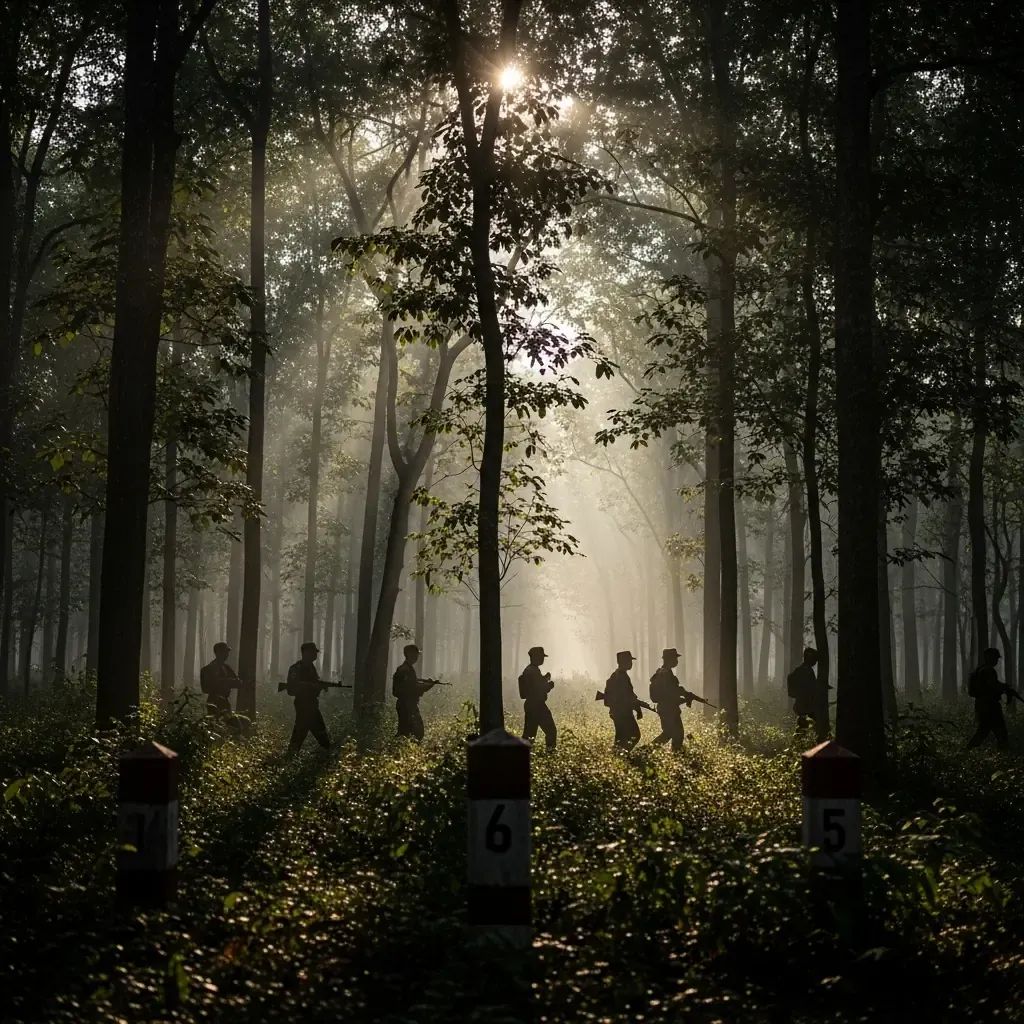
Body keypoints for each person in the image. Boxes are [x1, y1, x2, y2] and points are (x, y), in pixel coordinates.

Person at [966, 648, 1018, 751]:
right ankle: (1004, 755)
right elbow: (993, 685)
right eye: (995, 658)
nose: (996, 661)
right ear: (990, 658)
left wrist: (1005, 688)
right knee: (1001, 733)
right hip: (990, 706)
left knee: (983, 731)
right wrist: (1005, 688)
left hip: (982, 705)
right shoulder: (989, 670)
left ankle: (968, 750)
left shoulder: (980, 669)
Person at [286, 641, 331, 754]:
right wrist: (310, 686)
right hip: (303, 704)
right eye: (313, 652)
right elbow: (291, 689)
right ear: (306, 653)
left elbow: (314, 687)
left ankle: (327, 752)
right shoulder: (296, 669)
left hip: (311, 703)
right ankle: (328, 752)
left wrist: (319, 687)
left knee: (309, 730)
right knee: (305, 730)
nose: (315, 655)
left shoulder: (311, 668)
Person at [649, 647, 697, 752]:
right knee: (673, 734)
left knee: (672, 733)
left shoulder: (663, 672)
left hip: (667, 708)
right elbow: (671, 693)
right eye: (675, 658)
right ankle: (645, 751)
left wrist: (686, 695)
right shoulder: (666, 674)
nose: (676, 661)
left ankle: (675, 754)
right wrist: (685, 696)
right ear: (669, 659)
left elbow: (673, 691)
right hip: (668, 709)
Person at [392, 643, 438, 742]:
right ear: (410, 654)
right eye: (416, 654)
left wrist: (426, 683)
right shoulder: (405, 670)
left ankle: (398, 751)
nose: (417, 657)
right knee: (417, 732)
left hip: (405, 704)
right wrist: (429, 685)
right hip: (407, 704)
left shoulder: (405, 669)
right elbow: (413, 688)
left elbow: (411, 684)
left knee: (404, 731)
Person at [787, 647, 828, 740]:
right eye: (814, 659)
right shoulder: (807, 671)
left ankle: (800, 745)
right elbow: (811, 688)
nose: (815, 662)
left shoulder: (799, 670)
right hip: (807, 706)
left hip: (801, 705)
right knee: (811, 727)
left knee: (802, 728)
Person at [603, 650, 642, 750]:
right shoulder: (623, 677)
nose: (631, 663)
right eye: (629, 661)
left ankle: (616, 757)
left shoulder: (616, 675)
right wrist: (637, 708)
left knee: (620, 738)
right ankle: (622, 756)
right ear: (624, 662)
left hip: (617, 711)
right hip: (623, 712)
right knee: (635, 735)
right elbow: (627, 696)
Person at [519, 646, 556, 750]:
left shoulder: (530, 670)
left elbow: (535, 685)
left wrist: (545, 678)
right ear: (536, 657)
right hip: (537, 705)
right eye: (541, 656)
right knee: (551, 731)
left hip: (531, 705)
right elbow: (539, 689)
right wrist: (550, 685)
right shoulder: (533, 671)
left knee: (529, 736)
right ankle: (550, 754)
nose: (543, 659)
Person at [199, 642, 240, 730]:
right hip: (213, 701)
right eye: (225, 652)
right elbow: (206, 688)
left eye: (227, 652)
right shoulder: (208, 669)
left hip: (224, 701)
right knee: (214, 727)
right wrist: (226, 682)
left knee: (228, 726)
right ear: (218, 653)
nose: (227, 655)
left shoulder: (226, 668)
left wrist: (227, 682)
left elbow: (237, 682)